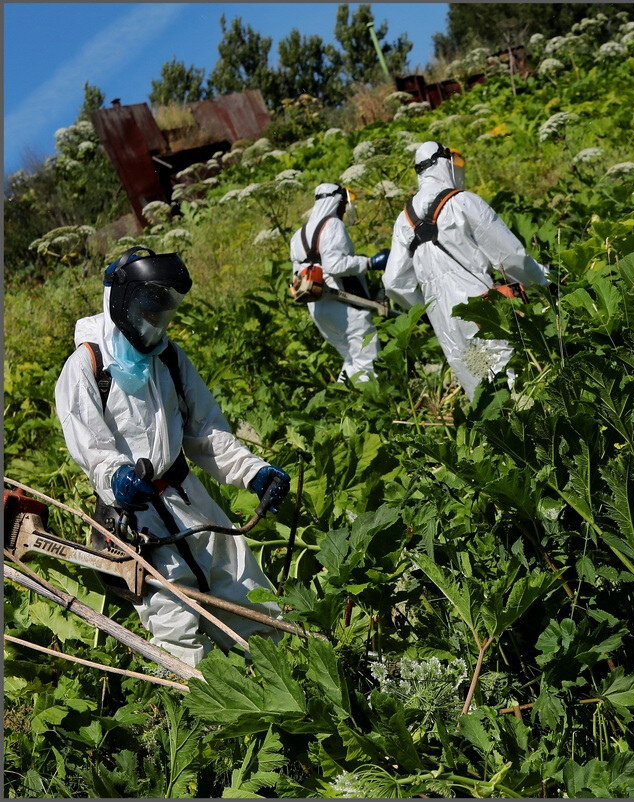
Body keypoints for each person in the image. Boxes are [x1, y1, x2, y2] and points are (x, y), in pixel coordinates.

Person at [55, 247, 292, 667]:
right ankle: (220, 716)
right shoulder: (86, 368)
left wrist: (254, 474)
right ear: (122, 303)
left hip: (190, 500)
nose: (156, 324)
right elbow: (91, 449)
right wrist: (116, 479)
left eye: (164, 314)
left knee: (248, 594)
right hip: (137, 522)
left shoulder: (168, 357)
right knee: (176, 631)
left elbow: (206, 432)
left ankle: (289, 679)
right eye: (149, 312)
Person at [382, 141, 549, 400]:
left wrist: (425, 311)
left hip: (445, 320)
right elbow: (510, 257)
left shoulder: (403, 221)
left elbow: (393, 282)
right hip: (480, 309)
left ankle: (498, 436)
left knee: (482, 388)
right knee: (510, 381)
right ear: (445, 163)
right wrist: (544, 282)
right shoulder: (463, 201)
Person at [289, 182, 390, 382]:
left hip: (318, 310)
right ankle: (370, 405)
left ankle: (345, 398)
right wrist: (370, 262)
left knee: (351, 358)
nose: (345, 209)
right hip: (344, 305)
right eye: (345, 203)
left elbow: (296, 276)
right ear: (337, 202)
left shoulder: (298, 235)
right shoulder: (333, 225)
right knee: (366, 358)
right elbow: (334, 265)